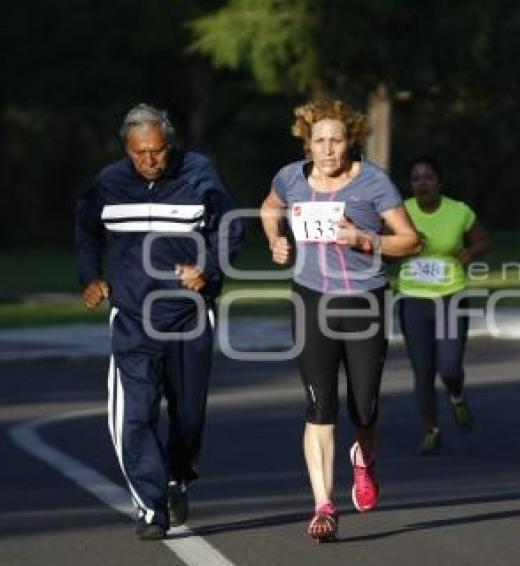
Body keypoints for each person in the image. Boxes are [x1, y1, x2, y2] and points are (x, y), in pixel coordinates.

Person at [75, 103, 245, 540]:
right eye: (139, 153)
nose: (148, 161)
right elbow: (86, 229)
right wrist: (91, 276)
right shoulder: (109, 183)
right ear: (126, 150)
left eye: (156, 151)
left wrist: (206, 267)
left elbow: (231, 226)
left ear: (170, 144)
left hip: (188, 315)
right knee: (135, 415)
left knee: (188, 418)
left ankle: (178, 473)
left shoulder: (198, 172)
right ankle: (150, 507)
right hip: (133, 316)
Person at [260, 100, 420, 542]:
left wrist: (364, 238)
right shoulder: (290, 177)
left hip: (364, 300)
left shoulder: (373, 182)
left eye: (336, 140)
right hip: (312, 298)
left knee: (364, 406)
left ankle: (364, 459)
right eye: (319, 141)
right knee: (319, 406)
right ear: (306, 144)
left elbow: (411, 242)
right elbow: (269, 206)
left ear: (351, 141)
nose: (328, 150)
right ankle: (324, 506)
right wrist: (276, 241)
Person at [397, 156, 490, 455]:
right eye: (415, 178)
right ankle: (431, 430)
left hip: (451, 296)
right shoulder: (401, 212)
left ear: (439, 182)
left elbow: (483, 240)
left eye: (427, 177)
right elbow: (385, 249)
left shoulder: (458, 211)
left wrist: (469, 253)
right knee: (422, 370)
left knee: (448, 367)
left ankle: (457, 394)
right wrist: (401, 246)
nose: (421, 183)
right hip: (413, 298)